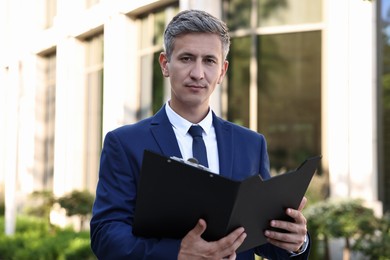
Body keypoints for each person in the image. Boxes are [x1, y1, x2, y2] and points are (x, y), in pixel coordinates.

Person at [90, 9, 310, 260]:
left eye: (209, 60)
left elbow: (263, 238)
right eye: (186, 58)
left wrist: (296, 241)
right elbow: (105, 234)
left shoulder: (251, 144)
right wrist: (177, 254)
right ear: (165, 64)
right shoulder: (125, 143)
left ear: (222, 71)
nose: (197, 73)